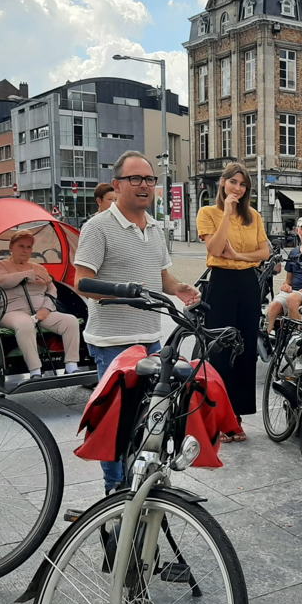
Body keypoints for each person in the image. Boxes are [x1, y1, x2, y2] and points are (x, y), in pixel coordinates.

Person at [75, 150, 200, 492]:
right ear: (117, 185)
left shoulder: (155, 228)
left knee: (149, 419)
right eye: (135, 178)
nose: (143, 185)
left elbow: (161, 276)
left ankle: (142, 483)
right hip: (111, 344)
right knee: (115, 423)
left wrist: (179, 288)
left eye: (148, 179)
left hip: (150, 339)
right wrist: (124, 292)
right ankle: (115, 489)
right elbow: (82, 282)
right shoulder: (97, 227)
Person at [197, 162, 270, 442]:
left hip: (248, 283)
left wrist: (239, 256)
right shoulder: (208, 213)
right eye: (233, 182)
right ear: (223, 182)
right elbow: (215, 248)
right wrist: (227, 213)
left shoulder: (254, 216)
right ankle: (218, 417)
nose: (238, 188)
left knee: (246, 349)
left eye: (242, 184)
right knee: (220, 350)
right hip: (221, 283)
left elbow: (264, 252)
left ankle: (236, 416)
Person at [0, 231, 81, 378]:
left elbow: (52, 289)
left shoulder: (39, 267)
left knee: (70, 321)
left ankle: (71, 365)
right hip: (12, 311)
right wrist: (27, 274)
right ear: (11, 247)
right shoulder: (0, 265)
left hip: (41, 311)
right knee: (25, 323)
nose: (25, 250)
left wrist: (46, 309)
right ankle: (35, 370)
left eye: (28, 247)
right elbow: (2, 281)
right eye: (21, 246)